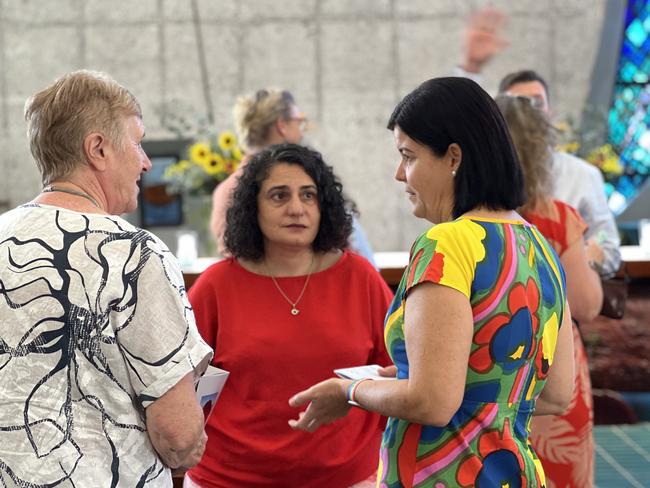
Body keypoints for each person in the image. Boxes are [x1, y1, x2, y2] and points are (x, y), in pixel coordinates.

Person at [289, 77, 575, 487]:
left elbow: (433, 401)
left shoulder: (447, 244)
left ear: (453, 156)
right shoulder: (538, 245)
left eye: (408, 155)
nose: (399, 174)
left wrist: (349, 391)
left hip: (444, 474)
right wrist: (404, 376)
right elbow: (555, 393)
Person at [0, 70, 213, 486]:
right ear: (98, 149)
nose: (146, 161)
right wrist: (188, 447)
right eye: (137, 142)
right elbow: (178, 434)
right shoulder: (133, 253)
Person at [186, 143, 393, 487]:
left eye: (308, 196)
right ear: (254, 207)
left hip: (349, 477)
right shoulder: (215, 286)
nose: (297, 208)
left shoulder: (361, 278)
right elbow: (181, 387)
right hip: (228, 479)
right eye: (279, 196)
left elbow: (396, 374)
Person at [455, 8, 621, 276]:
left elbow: (609, 246)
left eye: (535, 103)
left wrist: (583, 257)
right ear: (499, 115)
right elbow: (462, 124)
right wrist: (470, 68)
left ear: (550, 113)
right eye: (517, 105)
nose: (527, 114)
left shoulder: (583, 175)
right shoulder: (485, 174)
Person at [497, 94, 603, 487]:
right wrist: (587, 257)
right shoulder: (556, 218)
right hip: (552, 367)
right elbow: (589, 305)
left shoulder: (463, 221)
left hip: (492, 369)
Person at [210, 88, 376, 266]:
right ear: (282, 126)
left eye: (307, 196)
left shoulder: (225, 190)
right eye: (300, 122)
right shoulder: (310, 179)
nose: (302, 132)